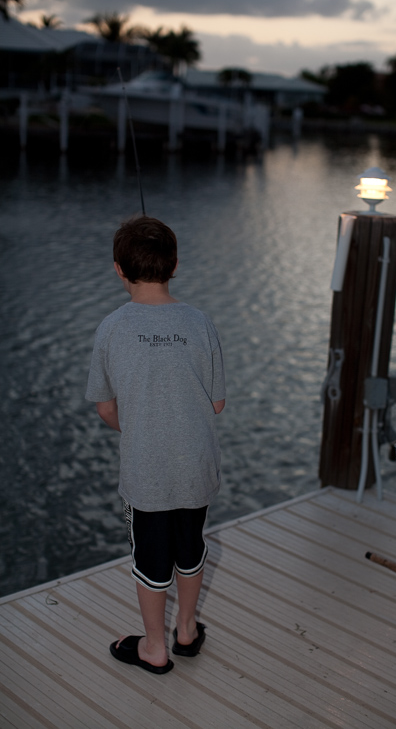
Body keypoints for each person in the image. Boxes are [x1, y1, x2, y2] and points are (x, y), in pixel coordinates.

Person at [85, 215, 225, 675]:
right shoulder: (201, 322)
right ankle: (186, 631)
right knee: (191, 547)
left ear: (118, 270)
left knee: (150, 560)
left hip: (146, 473)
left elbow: (105, 408)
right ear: (175, 264)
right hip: (195, 469)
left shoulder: (110, 328)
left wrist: (144, 426)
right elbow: (217, 403)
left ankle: (153, 647)